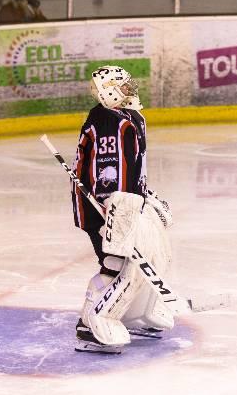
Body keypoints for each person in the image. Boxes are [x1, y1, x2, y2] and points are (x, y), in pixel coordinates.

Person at [71, 66, 175, 354]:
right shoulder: (109, 122)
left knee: (152, 257)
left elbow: (132, 168)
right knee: (116, 264)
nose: (130, 90)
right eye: (123, 86)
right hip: (105, 206)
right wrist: (115, 209)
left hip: (128, 202)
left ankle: (136, 314)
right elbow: (107, 174)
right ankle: (88, 324)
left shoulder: (128, 117)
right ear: (108, 91)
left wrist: (145, 196)